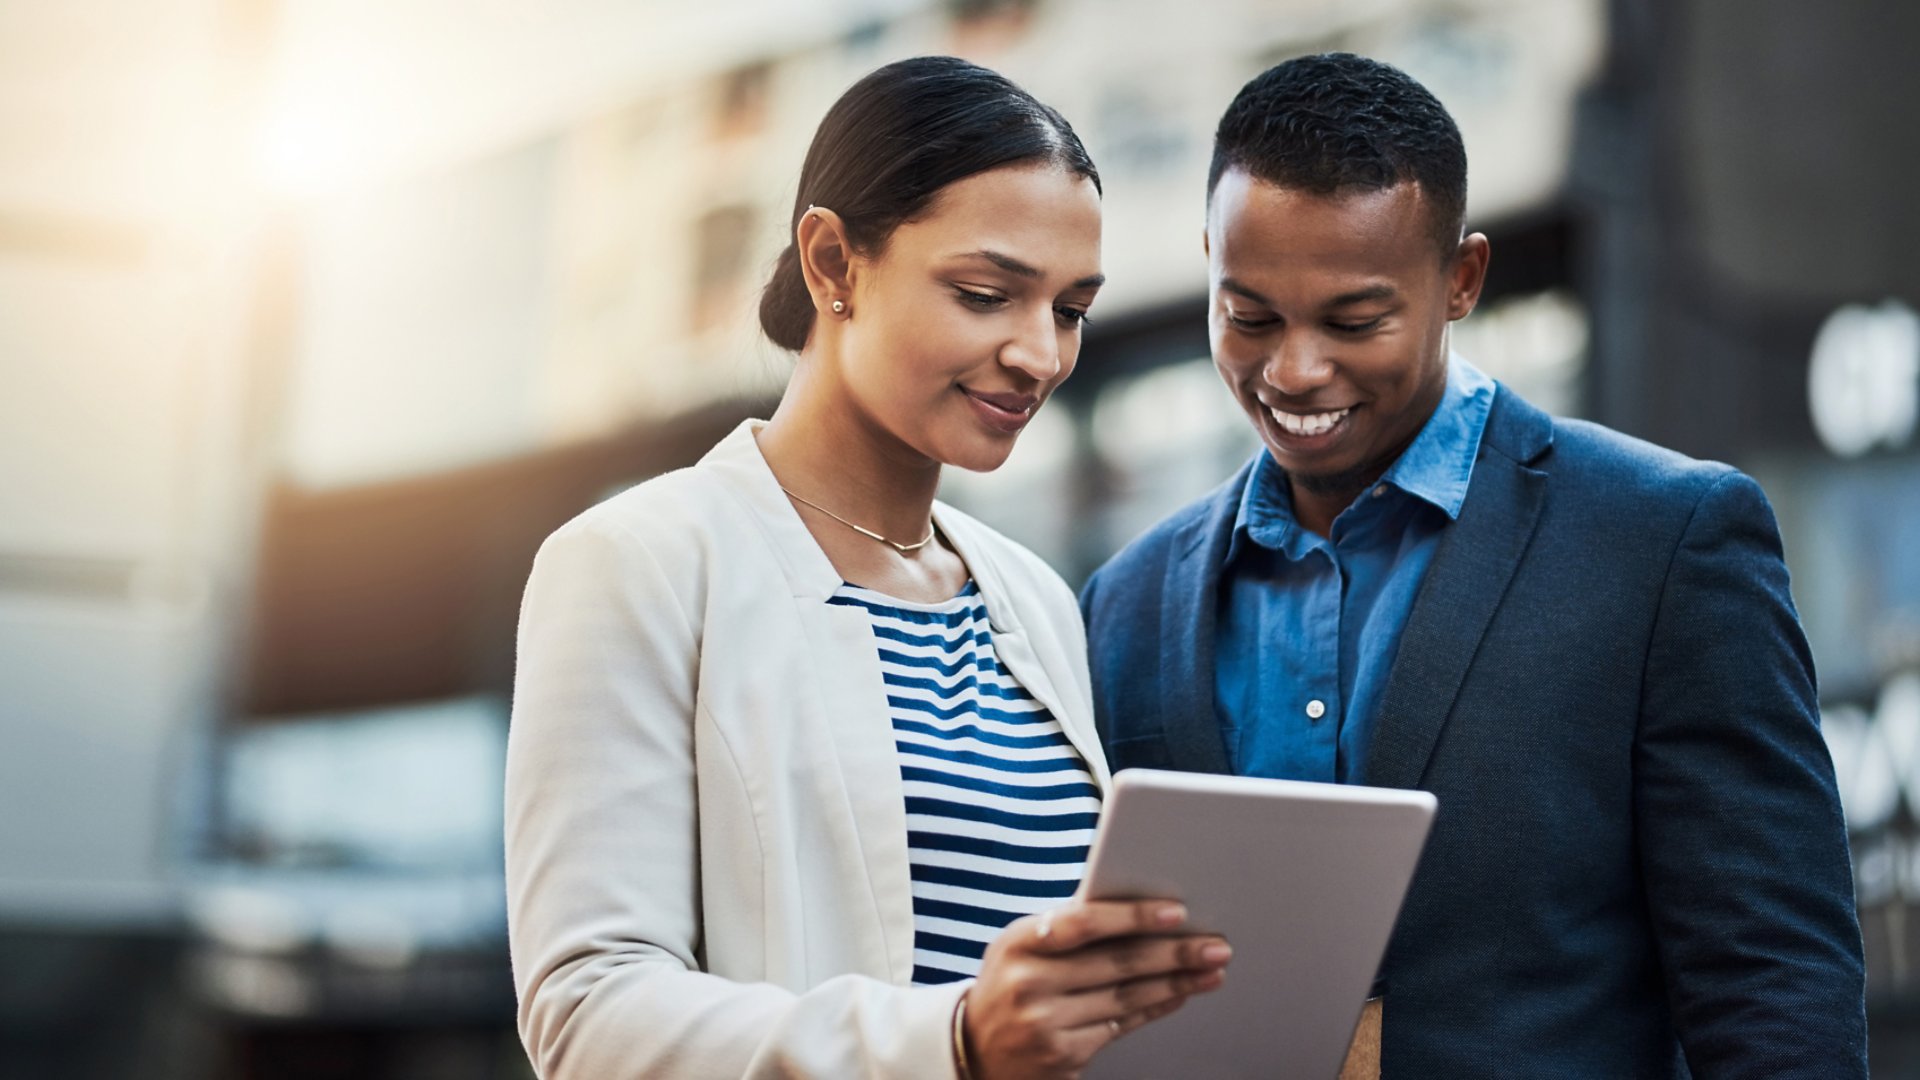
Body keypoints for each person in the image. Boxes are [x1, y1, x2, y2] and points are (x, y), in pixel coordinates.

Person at [1080, 52, 1867, 1076]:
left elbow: (1773, 980)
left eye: (1355, 321)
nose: (1295, 369)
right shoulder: (1125, 602)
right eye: (1251, 316)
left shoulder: (1664, 539)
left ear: (1462, 281)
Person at [505, 56, 1230, 1080]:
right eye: (987, 293)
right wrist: (956, 1041)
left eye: (1069, 310)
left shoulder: (1034, 603)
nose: (1039, 355)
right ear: (833, 262)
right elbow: (590, 1012)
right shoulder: (639, 564)